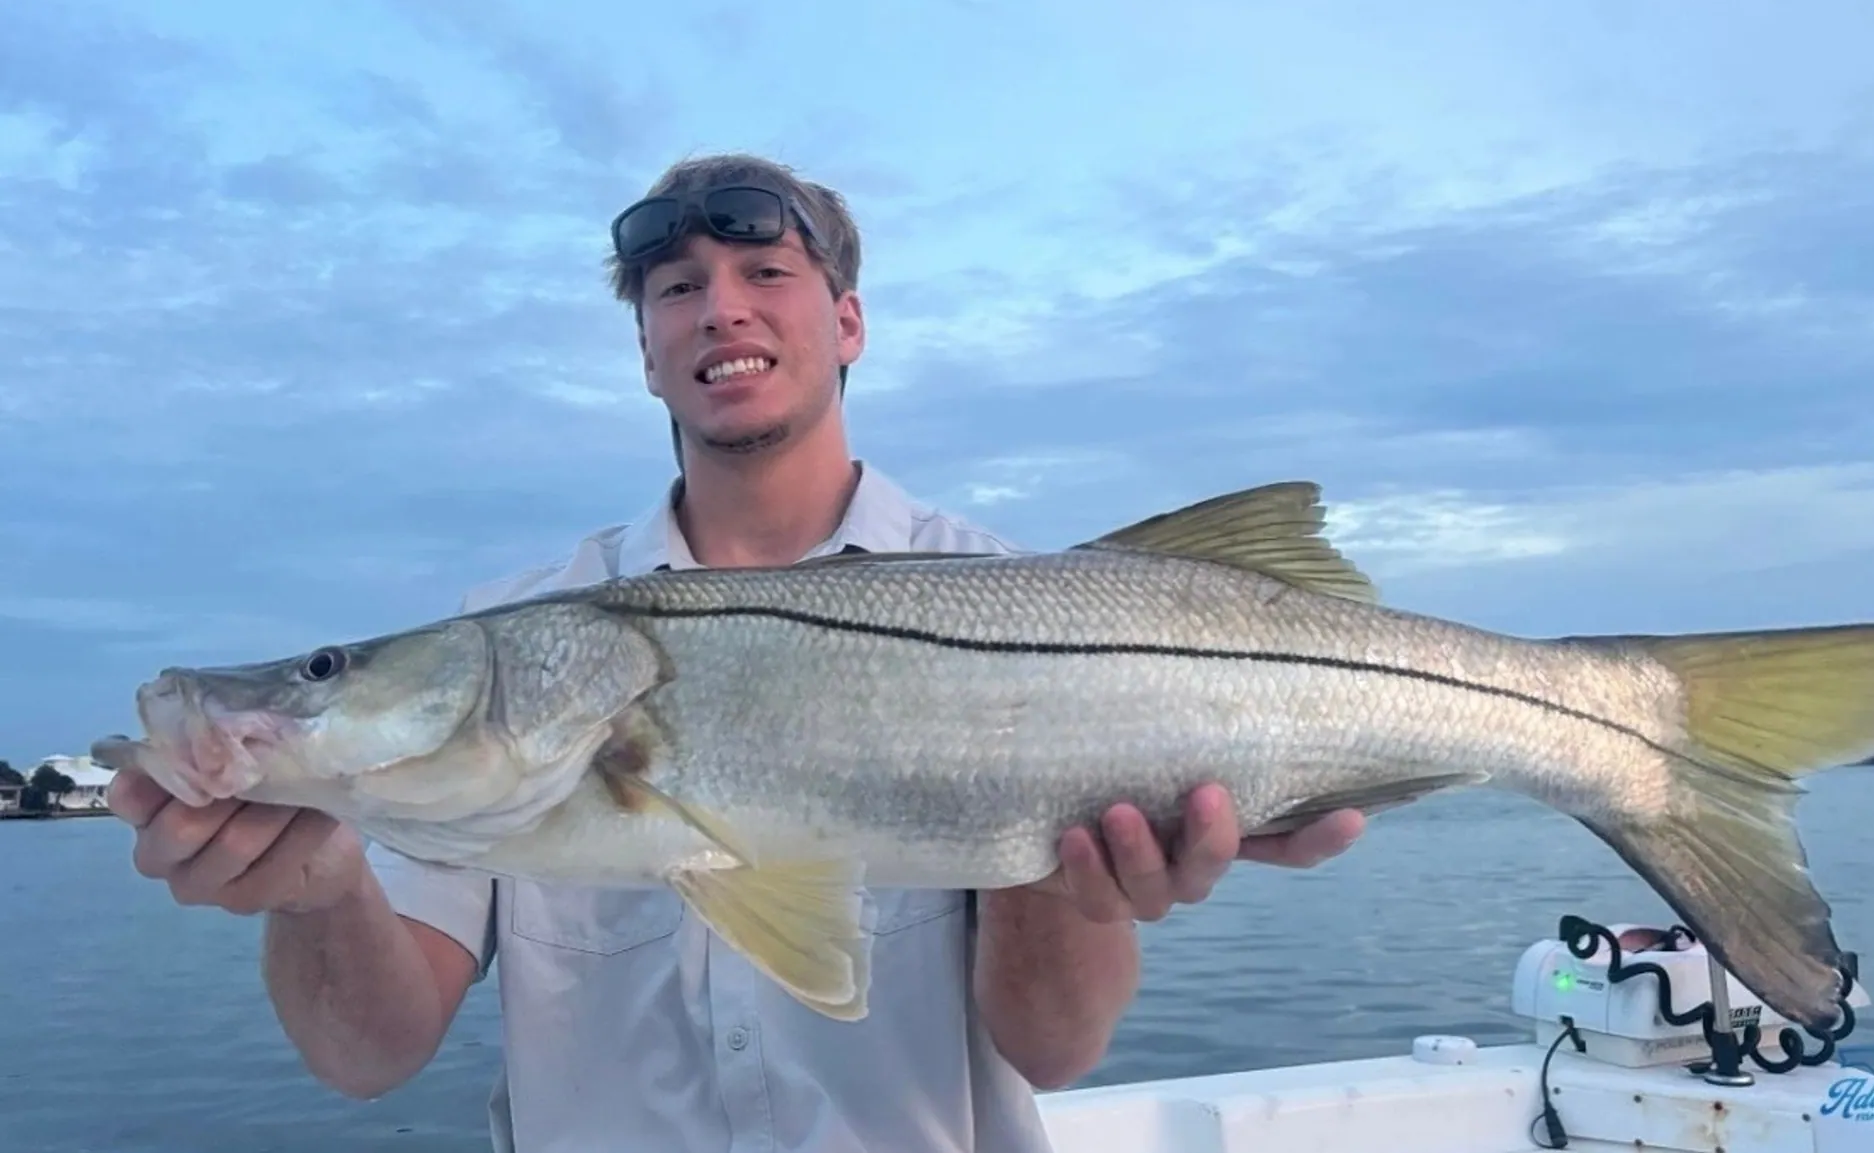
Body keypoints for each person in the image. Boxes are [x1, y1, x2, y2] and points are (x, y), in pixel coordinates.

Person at [107, 152, 1367, 1152]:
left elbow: (1052, 1052)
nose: (719, 306)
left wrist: (1069, 871)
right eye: (674, 290)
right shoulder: (515, 635)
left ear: (848, 320)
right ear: (646, 352)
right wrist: (320, 889)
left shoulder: (1031, 596)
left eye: (764, 270)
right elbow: (365, 1056)